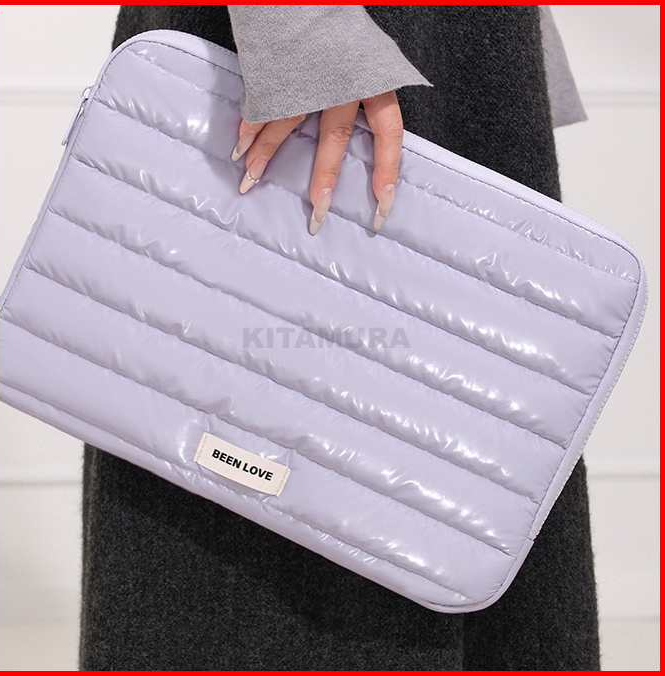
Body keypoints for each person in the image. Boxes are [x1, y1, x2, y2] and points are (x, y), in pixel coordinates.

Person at [79, 6, 600, 670]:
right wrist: (304, 27)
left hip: (430, 42)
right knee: (278, 524)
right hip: (336, 41)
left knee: (463, 488)